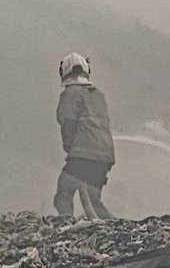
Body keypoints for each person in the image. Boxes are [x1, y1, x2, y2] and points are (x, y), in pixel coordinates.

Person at [54, 52, 115, 218]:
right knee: (94, 200)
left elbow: (68, 123)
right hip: (105, 155)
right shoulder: (97, 95)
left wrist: (70, 148)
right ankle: (111, 226)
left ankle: (66, 223)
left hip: (83, 154)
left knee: (64, 192)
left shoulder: (70, 93)